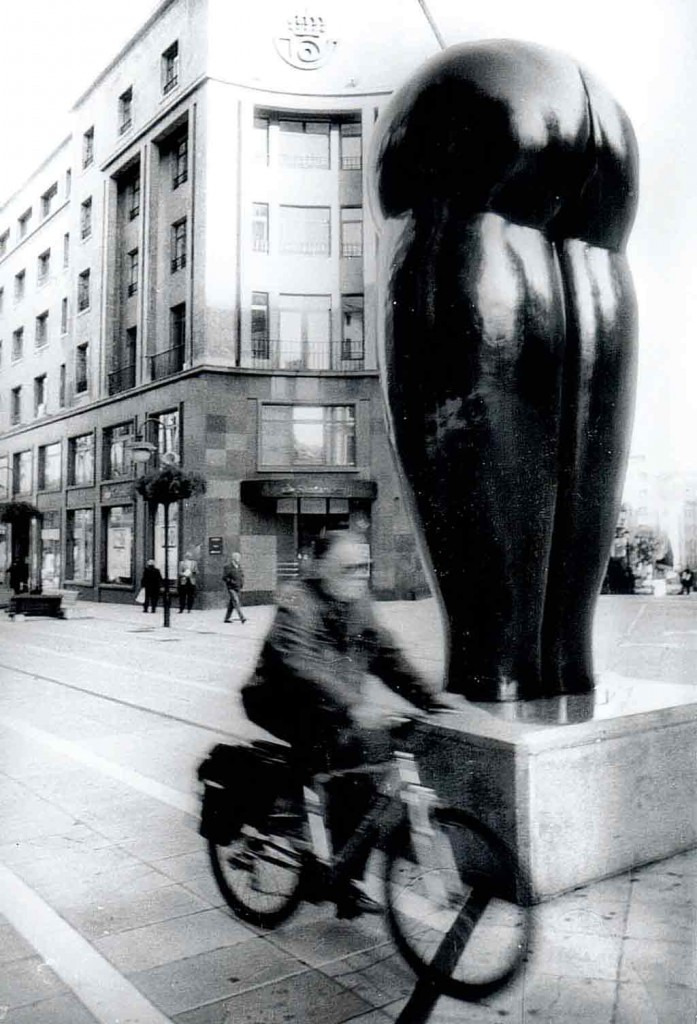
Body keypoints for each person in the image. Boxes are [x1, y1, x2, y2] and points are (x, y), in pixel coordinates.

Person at [242, 531, 452, 918]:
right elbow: (299, 661)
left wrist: (431, 701)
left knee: (363, 779)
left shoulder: (359, 603)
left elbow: (387, 655)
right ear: (319, 567)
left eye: (364, 568)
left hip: (332, 705)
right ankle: (301, 844)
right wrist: (354, 705)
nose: (359, 576)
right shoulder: (296, 600)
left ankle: (343, 880)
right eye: (349, 567)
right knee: (331, 754)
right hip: (279, 699)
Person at [223, 552, 246, 624]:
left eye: (239, 558)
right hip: (231, 588)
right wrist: (231, 581)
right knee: (236, 602)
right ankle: (242, 617)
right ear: (234, 558)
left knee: (232, 603)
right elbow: (224, 577)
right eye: (237, 557)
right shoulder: (228, 566)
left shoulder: (239, 566)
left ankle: (227, 618)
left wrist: (242, 583)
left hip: (238, 587)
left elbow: (242, 575)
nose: (239, 559)